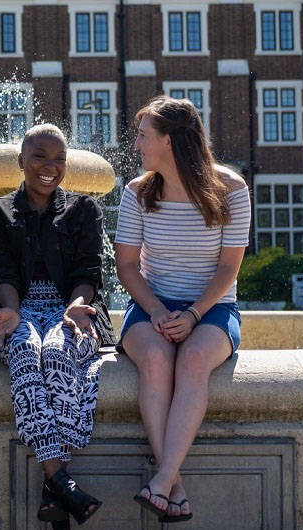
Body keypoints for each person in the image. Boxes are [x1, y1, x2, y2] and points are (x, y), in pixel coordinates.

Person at [114, 95, 251, 524]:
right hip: (150, 304)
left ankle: (164, 480)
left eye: (142, 135)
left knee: (192, 360)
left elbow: (229, 269)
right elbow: (126, 266)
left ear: (169, 141)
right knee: (155, 358)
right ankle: (172, 487)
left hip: (212, 308)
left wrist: (193, 314)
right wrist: (155, 311)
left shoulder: (231, 189)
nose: (136, 144)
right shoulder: (138, 192)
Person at [0, 124, 112, 526]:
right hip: (16, 305)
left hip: (74, 306)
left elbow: (89, 272)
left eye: (59, 159)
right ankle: (59, 478)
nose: (49, 167)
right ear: (21, 160)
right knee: (23, 349)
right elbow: (1, 271)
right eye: (39, 156)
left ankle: (53, 485)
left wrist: (75, 307)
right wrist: (12, 310)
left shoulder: (83, 209)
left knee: (57, 353)